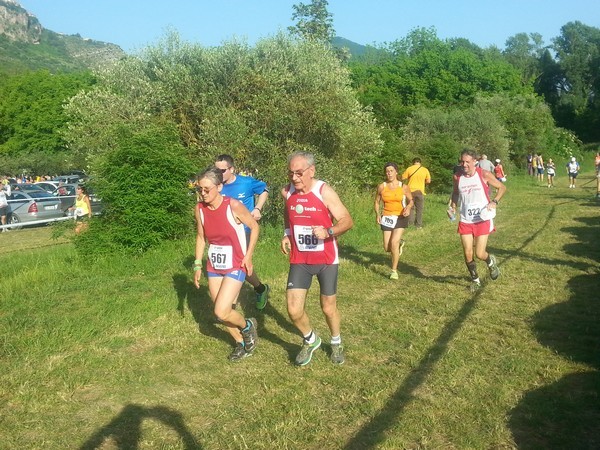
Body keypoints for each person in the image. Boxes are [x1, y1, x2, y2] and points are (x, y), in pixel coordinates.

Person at [281, 152, 353, 366]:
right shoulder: (286, 192)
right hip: (300, 258)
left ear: (311, 171)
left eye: (299, 173)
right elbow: (289, 212)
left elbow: (347, 220)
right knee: (293, 309)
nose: (294, 178)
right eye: (291, 173)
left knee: (328, 307)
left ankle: (336, 342)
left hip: (326, 259)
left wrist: (328, 231)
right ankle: (311, 340)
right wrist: (287, 232)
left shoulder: (324, 191)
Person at [193, 167, 259, 362]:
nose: (203, 194)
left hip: (236, 264)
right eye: (200, 189)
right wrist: (197, 265)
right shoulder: (199, 209)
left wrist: (248, 256)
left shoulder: (234, 206)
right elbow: (200, 237)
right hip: (214, 265)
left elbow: (255, 227)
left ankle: (247, 326)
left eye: (207, 189)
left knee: (221, 310)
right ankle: (241, 342)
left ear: (219, 187)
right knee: (223, 313)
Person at [214, 154, 270, 310]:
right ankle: (259, 288)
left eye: (222, 170)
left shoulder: (245, 183)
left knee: (240, 265)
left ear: (232, 169)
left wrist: (257, 208)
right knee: (229, 265)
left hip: (243, 232)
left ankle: (232, 303)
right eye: (216, 170)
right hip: (222, 233)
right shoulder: (216, 185)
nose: (218, 174)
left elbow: (264, 189)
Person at [449, 149, 507, 292]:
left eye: (467, 162)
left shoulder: (484, 174)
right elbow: (456, 193)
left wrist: (494, 202)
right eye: (462, 161)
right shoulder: (457, 177)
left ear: (475, 161)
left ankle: (490, 261)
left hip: (482, 218)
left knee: (479, 253)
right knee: (468, 252)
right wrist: (453, 206)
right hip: (466, 220)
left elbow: (502, 187)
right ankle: (475, 280)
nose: (464, 164)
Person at [374, 162, 413, 280]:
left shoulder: (403, 187)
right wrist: (377, 214)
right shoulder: (382, 186)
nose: (389, 173)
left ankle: (394, 271)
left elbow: (411, 200)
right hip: (386, 217)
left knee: (394, 243)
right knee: (387, 247)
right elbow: (376, 201)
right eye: (387, 171)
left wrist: (408, 207)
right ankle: (399, 245)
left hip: (400, 217)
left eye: (391, 171)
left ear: (396, 172)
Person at [401, 157, 431, 229]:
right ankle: (418, 225)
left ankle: (410, 223)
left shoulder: (409, 169)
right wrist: (422, 182)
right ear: (420, 162)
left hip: (410, 191)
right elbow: (428, 181)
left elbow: (402, 178)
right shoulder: (425, 170)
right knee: (419, 209)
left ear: (413, 162)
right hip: (420, 191)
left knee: (410, 207)